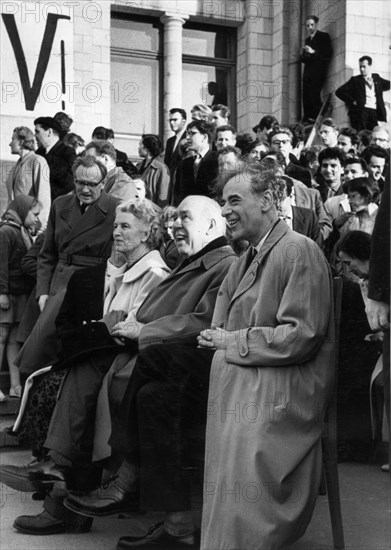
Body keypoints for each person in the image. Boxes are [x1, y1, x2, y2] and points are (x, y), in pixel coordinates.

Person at [198, 163, 334, 550]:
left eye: (234, 200)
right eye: (223, 202)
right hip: (258, 370)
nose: (224, 211)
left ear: (270, 200)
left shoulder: (298, 250)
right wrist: (222, 341)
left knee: (239, 419)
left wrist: (231, 342)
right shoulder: (244, 257)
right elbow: (219, 321)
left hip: (290, 381)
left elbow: (302, 336)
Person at [14, 156, 120, 379]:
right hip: (58, 286)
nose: (85, 189)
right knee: (40, 352)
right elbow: (47, 255)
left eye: (92, 184)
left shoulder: (115, 208)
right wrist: (42, 291)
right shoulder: (60, 204)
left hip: (94, 284)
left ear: (103, 182)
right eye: (80, 182)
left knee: (76, 352)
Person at [0, 196, 41, 401]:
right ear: (23, 211)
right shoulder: (6, 232)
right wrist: (2, 292)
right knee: (1, 337)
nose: (36, 220)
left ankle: (15, 386)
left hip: (20, 293)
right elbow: (1, 265)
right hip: (7, 294)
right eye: (34, 215)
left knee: (14, 339)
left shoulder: (22, 232)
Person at [5, 126, 51, 230]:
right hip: (15, 226)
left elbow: (44, 198)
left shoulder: (38, 161)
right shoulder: (16, 166)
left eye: (13, 139)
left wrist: (39, 227)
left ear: (21, 142)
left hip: (31, 228)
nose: (10, 144)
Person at [335, 56, 390, 131]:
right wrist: (352, 100)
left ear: (370, 66)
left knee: (374, 133)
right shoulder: (355, 80)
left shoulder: (376, 78)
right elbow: (339, 92)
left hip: (374, 112)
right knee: (360, 133)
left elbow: (388, 85)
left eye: (364, 67)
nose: (361, 69)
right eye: (360, 67)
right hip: (361, 112)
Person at [173, 120, 218, 205]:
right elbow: (178, 195)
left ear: (204, 137)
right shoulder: (183, 164)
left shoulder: (217, 159)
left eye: (192, 133)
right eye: (188, 133)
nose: (187, 138)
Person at [34, 116, 76, 201]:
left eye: (37, 132)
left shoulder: (68, 152)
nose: (35, 135)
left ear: (49, 132)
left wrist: (45, 194)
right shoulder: (38, 153)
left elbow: (70, 182)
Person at [300, 15, 332, 122]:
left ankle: (315, 115)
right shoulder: (307, 40)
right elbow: (305, 60)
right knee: (306, 95)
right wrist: (304, 54)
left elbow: (328, 52)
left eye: (312, 25)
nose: (309, 27)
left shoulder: (323, 36)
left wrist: (313, 51)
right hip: (308, 72)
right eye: (307, 25)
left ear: (316, 24)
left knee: (314, 94)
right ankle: (308, 116)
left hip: (318, 71)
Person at [137, 134, 170, 207]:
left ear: (147, 148)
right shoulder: (139, 166)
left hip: (151, 212)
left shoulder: (161, 168)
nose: (138, 148)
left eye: (140, 145)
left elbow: (163, 196)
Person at [164, 108, 187, 184]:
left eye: (175, 120)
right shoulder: (170, 141)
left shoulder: (188, 138)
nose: (171, 123)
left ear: (183, 121)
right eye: (170, 120)